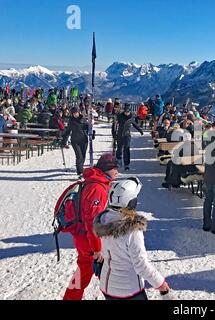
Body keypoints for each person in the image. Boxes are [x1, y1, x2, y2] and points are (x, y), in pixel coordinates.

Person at [94, 177, 170, 300]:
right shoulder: (132, 229)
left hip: (107, 285)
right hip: (129, 290)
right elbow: (141, 265)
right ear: (131, 202)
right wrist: (160, 283)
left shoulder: (103, 220)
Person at [63, 154, 119, 300]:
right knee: (108, 276)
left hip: (82, 237)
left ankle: (70, 297)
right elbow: (93, 223)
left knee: (83, 274)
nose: (117, 172)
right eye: (114, 169)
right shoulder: (97, 188)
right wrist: (96, 249)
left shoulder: (95, 181)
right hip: (89, 241)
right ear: (107, 170)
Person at [61, 107, 89, 177]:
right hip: (75, 141)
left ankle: (81, 168)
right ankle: (80, 172)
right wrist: (64, 142)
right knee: (79, 156)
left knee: (83, 156)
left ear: (79, 112)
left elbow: (88, 128)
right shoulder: (71, 121)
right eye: (73, 113)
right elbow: (68, 131)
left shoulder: (83, 119)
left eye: (76, 113)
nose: (75, 114)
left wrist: (92, 133)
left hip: (84, 140)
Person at [116, 104, 144, 171]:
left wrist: (140, 131)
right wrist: (114, 133)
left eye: (128, 112)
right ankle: (119, 160)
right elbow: (115, 125)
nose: (126, 113)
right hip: (120, 134)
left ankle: (126, 164)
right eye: (125, 112)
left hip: (127, 135)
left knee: (126, 149)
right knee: (119, 148)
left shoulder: (131, 118)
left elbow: (135, 125)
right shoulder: (119, 116)